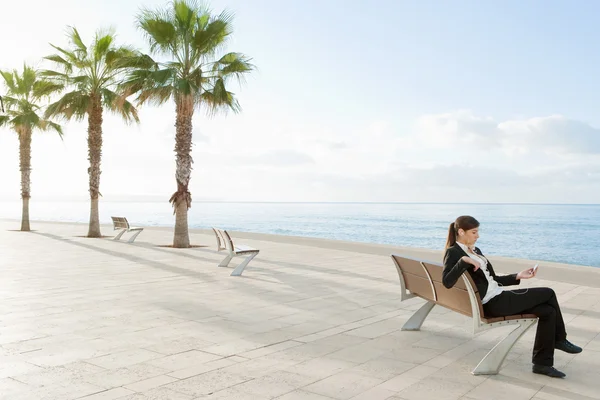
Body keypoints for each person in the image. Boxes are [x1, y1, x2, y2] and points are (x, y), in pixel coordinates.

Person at [442, 215, 582, 378]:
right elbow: (447, 282)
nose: (477, 236)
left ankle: (542, 364)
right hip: (493, 303)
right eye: (474, 232)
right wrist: (464, 260)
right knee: (548, 293)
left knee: (548, 311)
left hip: (498, 296)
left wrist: (518, 276)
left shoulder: (475, 250)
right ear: (461, 232)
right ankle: (559, 339)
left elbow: (493, 279)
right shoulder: (454, 253)